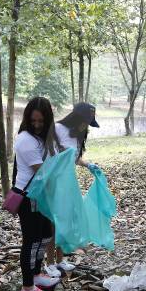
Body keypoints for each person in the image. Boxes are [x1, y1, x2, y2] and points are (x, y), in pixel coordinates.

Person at [43, 102, 101, 277]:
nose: (86, 126)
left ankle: (60, 260)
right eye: (84, 121)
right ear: (75, 118)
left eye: (89, 123)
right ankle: (49, 262)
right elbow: (48, 155)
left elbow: (75, 158)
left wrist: (88, 164)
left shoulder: (79, 134)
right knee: (53, 221)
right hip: (53, 182)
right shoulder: (57, 129)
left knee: (65, 220)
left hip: (69, 183)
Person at [14, 97, 61, 291]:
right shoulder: (25, 139)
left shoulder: (44, 137)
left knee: (44, 236)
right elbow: (42, 172)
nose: (37, 125)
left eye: (41, 121)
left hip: (42, 195)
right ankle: (27, 288)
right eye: (33, 121)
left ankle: (36, 274)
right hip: (29, 196)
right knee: (31, 240)